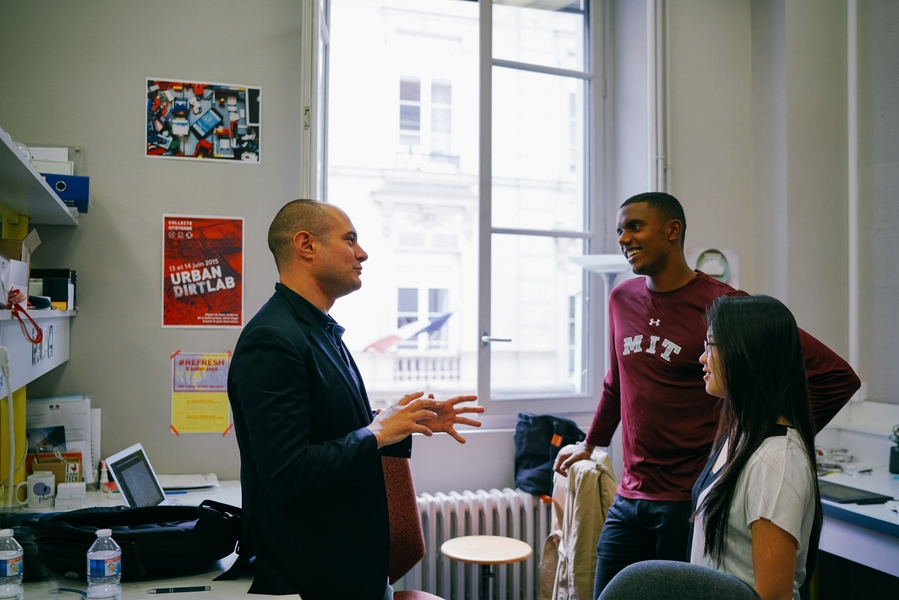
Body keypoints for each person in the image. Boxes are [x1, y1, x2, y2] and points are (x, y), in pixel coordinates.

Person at [552, 192, 859, 597]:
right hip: (630, 495)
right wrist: (590, 443)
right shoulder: (621, 298)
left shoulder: (724, 307)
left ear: (672, 230)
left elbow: (835, 376)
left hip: (690, 498)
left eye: (635, 226)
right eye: (619, 230)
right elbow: (616, 381)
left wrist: (763, 440)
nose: (624, 238)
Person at [227, 199, 483, 600]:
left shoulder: (320, 329)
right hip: (313, 578)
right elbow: (288, 473)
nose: (362, 253)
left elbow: (338, 429)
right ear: (306, 245)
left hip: (352, 567)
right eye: (350, 240)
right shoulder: (272, 339)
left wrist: (407, 421)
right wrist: (378, 433)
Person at [691, 295, 820, 600]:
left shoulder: (777, 460)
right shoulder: (739, 433)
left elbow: (773, 595)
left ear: (746, 354)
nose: (702, 357)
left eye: (711, 345)